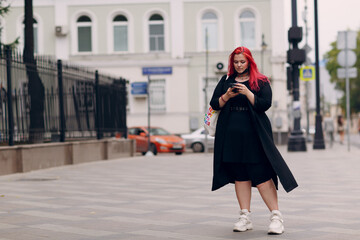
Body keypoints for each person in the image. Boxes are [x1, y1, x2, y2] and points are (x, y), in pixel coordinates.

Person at [209, 46, 297, 235]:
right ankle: (244, 216)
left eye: (243, 61)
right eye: (236, 62)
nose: (239, 65)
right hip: (231, 135)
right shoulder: (226, 80)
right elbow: (214, 103)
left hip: (255, 134)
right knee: (240, 175)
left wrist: (247, 92)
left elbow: (265, 104)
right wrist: (227, 95)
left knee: (261, 174)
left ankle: (276, 217)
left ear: (249, 61)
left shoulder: (261, 81)